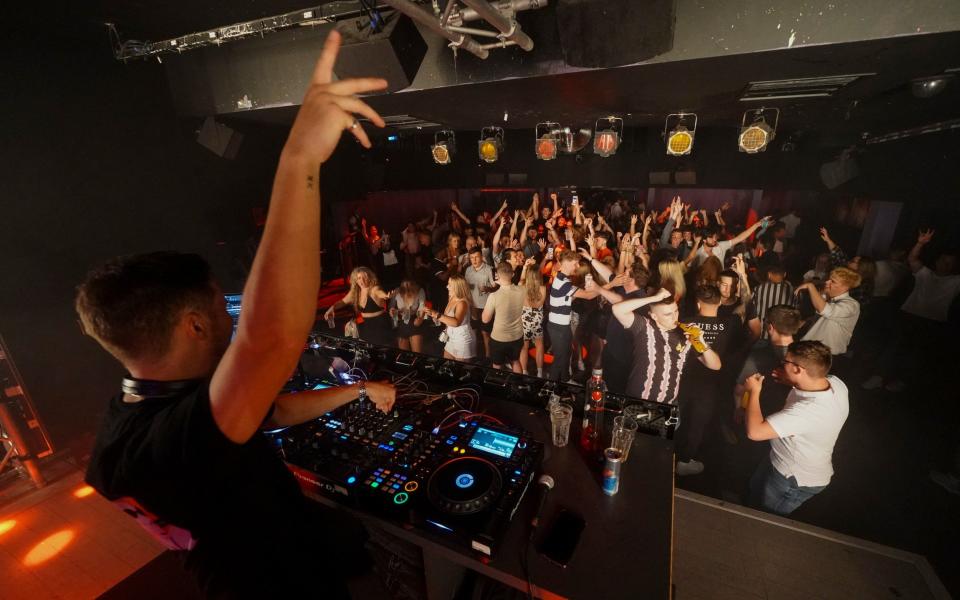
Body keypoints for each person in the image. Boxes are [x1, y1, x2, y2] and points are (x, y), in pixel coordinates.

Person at [77, 31, 396, 598]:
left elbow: (267, 410)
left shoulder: (128, 417)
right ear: (195, 325)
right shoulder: (168, 442)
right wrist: (300, 158)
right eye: (219, 308)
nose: (230, 315)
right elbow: (269, 340)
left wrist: (356, 392)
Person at [743, 341, 849, 516]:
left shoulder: (808, 411)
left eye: (786, 362)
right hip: (782, 461)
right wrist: (789, 380)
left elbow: (754, 432)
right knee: (755, 491)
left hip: (792, 478)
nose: (782, 365)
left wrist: (754, 391)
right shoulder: (836, 383)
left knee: (763, 518)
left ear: (799, 369)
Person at [864, 230, 960, 392]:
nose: (946, 264)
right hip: (909, 315)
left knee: (915, 354)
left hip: (932, 321)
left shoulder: (956, 281)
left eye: (950, 263)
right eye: (944, 260)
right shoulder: (926, 274)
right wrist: (920, 243)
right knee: (893, 347)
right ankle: (878, 377)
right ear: (937, 261)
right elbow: (912, 259)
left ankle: (900, 381)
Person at [612, 289, 721, 405]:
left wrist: (702, 342)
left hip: (668, 406)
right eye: (668, 314)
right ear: (654, 316)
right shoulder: (644, 327)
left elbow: (716, 366)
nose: (674, 317)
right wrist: (654, 299)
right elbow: (617, 309)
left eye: (676, 311)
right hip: (637, 403)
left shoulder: (686, 333)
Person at [674, 285, 740, 475]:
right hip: (711, 383)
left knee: (676, 418)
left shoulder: (684, 323)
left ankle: (666, 451)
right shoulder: (730, 324)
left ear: (697, 303)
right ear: (720, 302)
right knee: (698, 423)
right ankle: (685, 462)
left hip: (683, 379)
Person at [546, 250, 600, 381]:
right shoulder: (563, 282)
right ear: (567, 263)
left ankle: (565, 379)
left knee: (566, 355)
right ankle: (552, 389)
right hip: (558, 327)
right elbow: (589, 295)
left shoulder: (562, 278)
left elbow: (568, 298)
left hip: (561, 325)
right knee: (560, 358)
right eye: (575, 264)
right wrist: (611, 285)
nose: (577, 267)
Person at [796, 267, 862, 355]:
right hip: (811, 349)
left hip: (828, 355)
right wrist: (806, 322)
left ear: (845, 287)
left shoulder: (851, 305)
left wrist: (810, 286)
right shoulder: (831, 299)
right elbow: (826, 319)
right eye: (828, 279)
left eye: (833, 281)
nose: (827, 282)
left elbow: (825, 310)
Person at [324, 266, 393, 346]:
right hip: (364, 326)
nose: (362, 280)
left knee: (383, 351)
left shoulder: (374, 289)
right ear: (355, 280)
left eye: (364, 277)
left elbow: (381, 294)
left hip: (379, 326)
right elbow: (343, 302)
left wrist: (387, 296)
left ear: (370, 277)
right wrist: (332, 307)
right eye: (359, 278)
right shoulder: (355, 292)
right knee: (366, 351)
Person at [482, 262, 526, 372]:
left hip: (499, 338)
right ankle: (519, 385)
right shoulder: (522, 290)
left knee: (497, 366)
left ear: (497, 275)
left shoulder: (494, 296)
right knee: (515, 361)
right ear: (512, 274)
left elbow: (485, 319)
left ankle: (499, 386)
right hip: (517, 336)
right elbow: (522, 281)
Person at [424, 275, 475, 361]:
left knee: (460, 371)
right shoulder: (451, 297)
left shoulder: (462, 303)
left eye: (450, 285)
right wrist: (435, 318)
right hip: (451, 338)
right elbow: (447, 318)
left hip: (462, 340)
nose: (447, 287)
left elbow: (456, 322)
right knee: (447, 365)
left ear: (457, 287)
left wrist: (437, 315)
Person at [747, 263, 797, 341]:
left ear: (769, 274)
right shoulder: (791, 290)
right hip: (781, 337)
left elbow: (749, 307)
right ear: (784, 274)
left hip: (761, 334)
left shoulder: (759, 288)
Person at [463, 247, 496, 359]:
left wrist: (488, 289)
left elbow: (496, 287)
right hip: (472, 306)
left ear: (482, 257)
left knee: (485, 333)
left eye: (477, 257)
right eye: (472, 257)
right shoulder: (468, 270)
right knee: (473, 332)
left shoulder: (489, 269)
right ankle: (473, 355)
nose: (474, 260)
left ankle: (488, 357)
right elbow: (464, 287)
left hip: (485, 306)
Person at [519, 257, 547, 378]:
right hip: (537, 319)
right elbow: (539, 304)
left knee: (524, 347)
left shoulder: (522, 286)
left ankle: (524, 371)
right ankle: (540, 372)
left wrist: (525, 268)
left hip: (524, 319)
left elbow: (521, 279)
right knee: (539, 346)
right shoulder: (543, 288)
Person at [390, 279, 427, 353]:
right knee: (404, 355)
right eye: (404, 286)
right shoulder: (397, 291)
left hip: (414, 322)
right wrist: (392, 312)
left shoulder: (419, 290)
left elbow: (422, 307)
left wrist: (420, 318)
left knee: (417, 354)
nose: (406, 288)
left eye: (409, 285)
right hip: (401, 323)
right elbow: (391, 306)